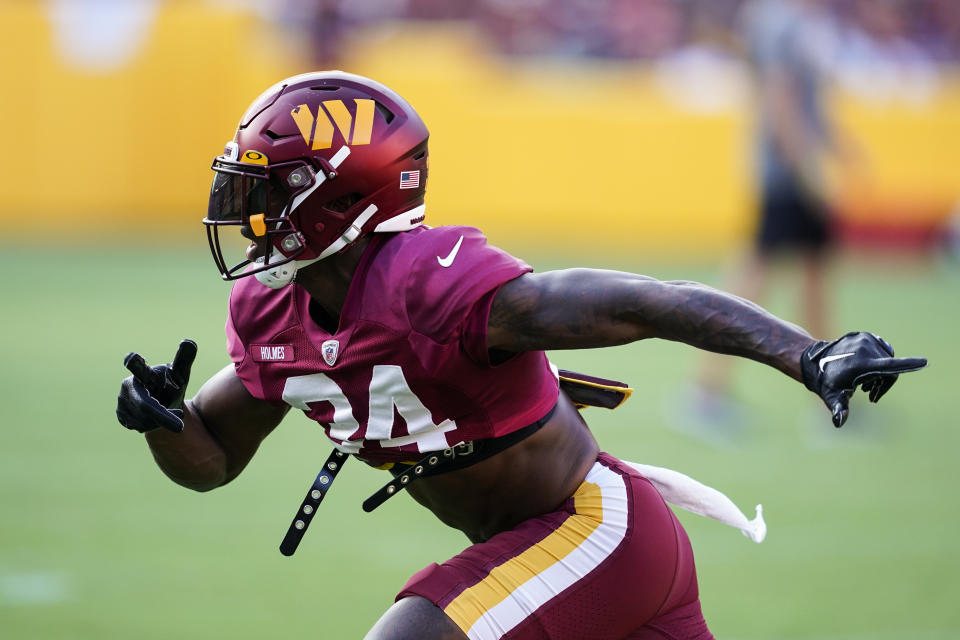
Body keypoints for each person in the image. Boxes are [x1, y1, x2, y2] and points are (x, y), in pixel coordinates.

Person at [115, 71, 925, 640]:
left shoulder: (429, 285)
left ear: (339, 200)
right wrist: (162, 423)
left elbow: (644, 302)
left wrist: (808, 354)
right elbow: (213, 458)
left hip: (592, 530)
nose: (244, 209)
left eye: (267, 190)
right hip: (569, 551)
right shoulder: (272, 312)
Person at [693, 0, 862, 425]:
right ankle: (706, 393)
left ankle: (826, 393)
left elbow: (806, 102)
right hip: (787, 173)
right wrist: (806, 165)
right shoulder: (780, 21)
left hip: (792, 169)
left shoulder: (796, 22)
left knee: (809, 277)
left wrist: (839, 147)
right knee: (756, 276)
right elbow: (780, 98)